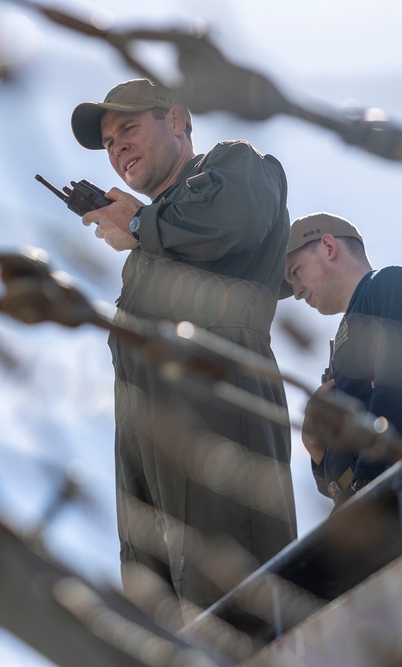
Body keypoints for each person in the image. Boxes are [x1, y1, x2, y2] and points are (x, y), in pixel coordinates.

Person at [70, 78, 298, 613]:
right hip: (144, 424)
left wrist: (139, 222)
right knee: (157, 598)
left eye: (128, 128)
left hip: (215, 395)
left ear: (176, 121)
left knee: (233, 592)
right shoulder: (147, 245)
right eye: (108, 144)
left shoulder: (234, 164)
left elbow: (228, 219)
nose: (117, 148)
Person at [281, 212, 402, 506]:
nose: (296, 292)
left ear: (328, 246)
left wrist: (369, 484)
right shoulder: (353, 325)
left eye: (296, 271)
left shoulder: (393, 284)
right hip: (381, 502)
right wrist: (318, 452)